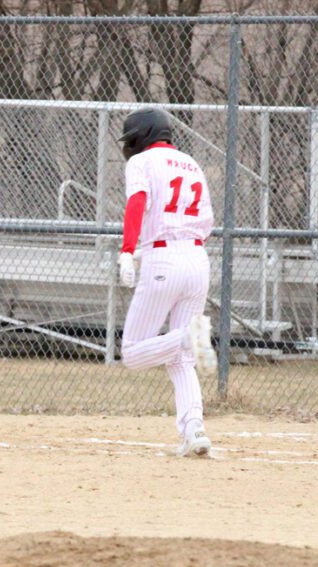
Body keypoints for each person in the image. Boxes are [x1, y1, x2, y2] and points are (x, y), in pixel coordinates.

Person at [115, 108, 218, 458]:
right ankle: (194, 430)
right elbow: (204, 222)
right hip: (197, 260)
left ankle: (191, 335)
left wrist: (129, 249)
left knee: (132, 352)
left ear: (143, 135)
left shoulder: (141, 163)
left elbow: (138, 203)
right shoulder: (191, 163)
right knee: (183, 359)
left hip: (165, 262)